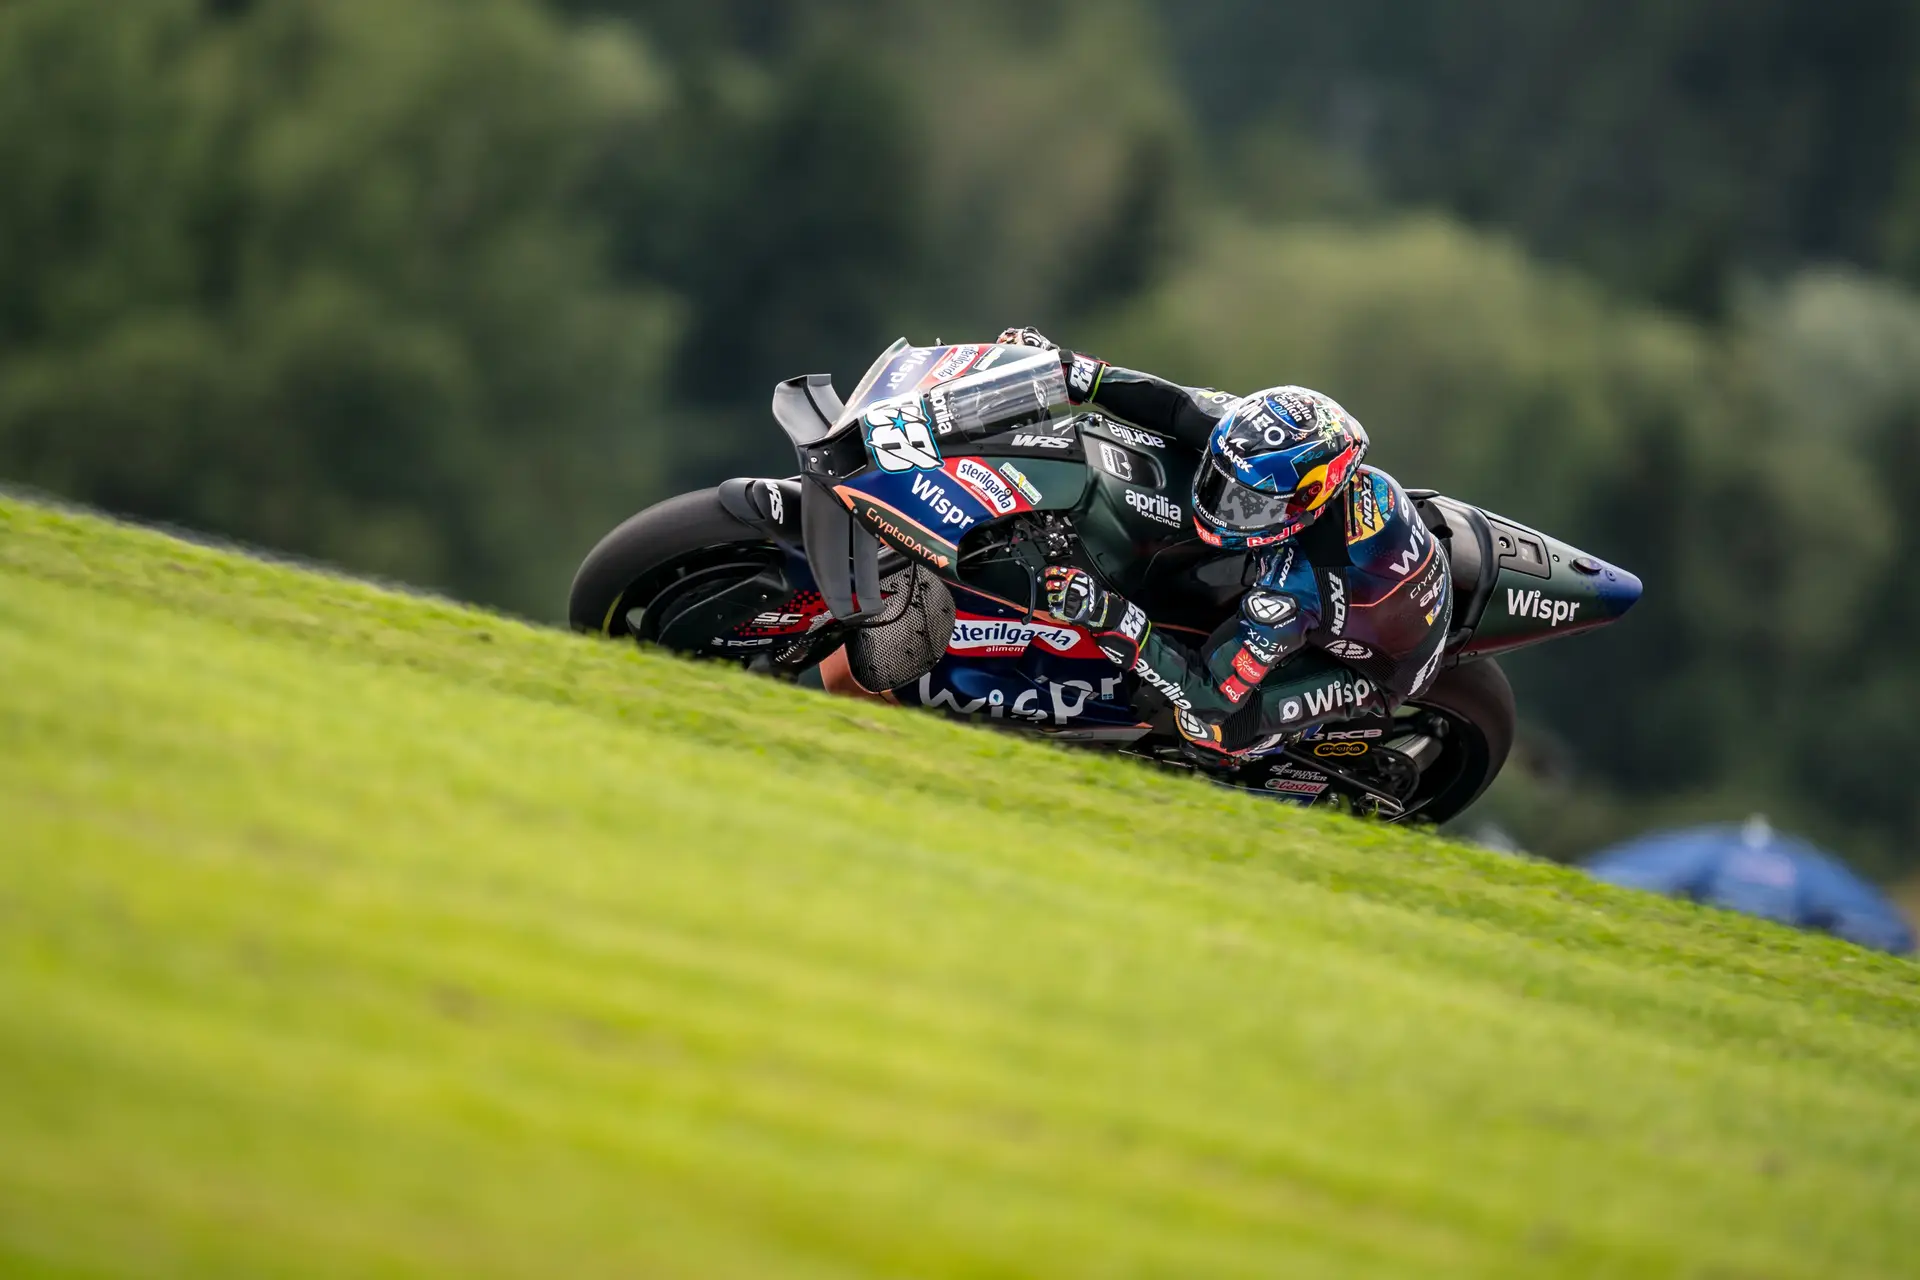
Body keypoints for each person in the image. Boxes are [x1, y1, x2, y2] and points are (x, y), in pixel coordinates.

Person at [997, 326, 1452, 762]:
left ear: (1306, 501)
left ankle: (1264, 754)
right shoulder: (1254, 443)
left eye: (1250, 504)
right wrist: (1068, 369)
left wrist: (1109, 616)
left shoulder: (1299, 586)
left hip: (1377, 665)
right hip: (1373, 569)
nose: (1222, 507)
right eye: (1221, 481)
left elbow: (1211, 694)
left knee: (1214, 726)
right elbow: (1174, 406)